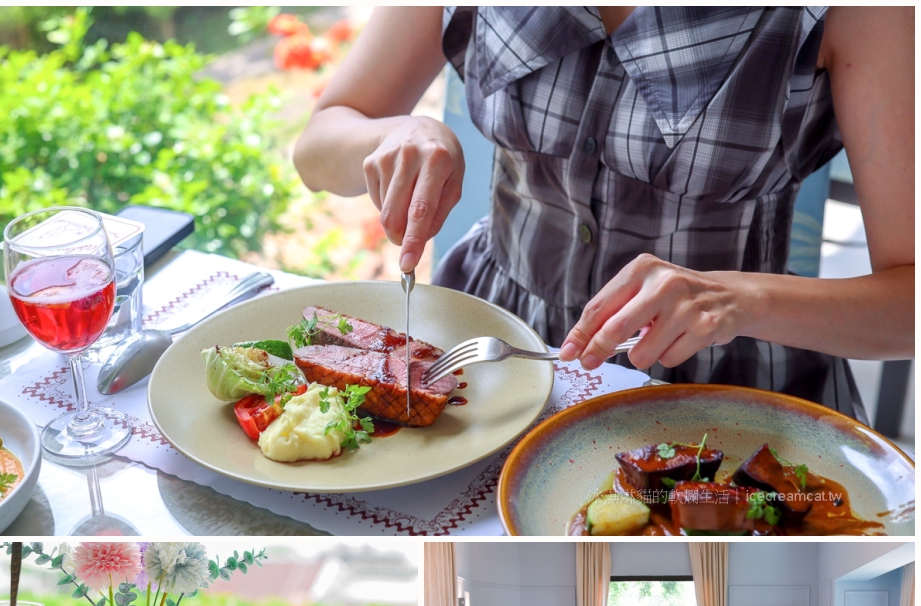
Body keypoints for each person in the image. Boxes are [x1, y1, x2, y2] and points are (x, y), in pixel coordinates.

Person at [294, 7, 913, 420]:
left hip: (728, 388)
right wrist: (396, 133)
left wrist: (735, 299)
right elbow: (318, 145)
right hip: (485, 360)